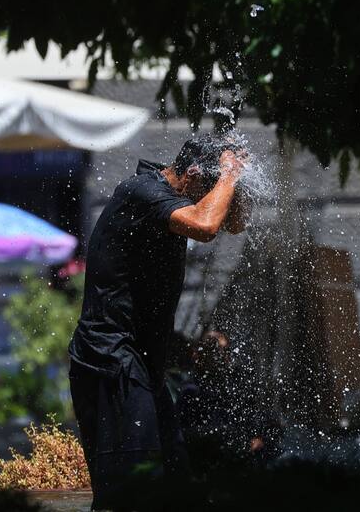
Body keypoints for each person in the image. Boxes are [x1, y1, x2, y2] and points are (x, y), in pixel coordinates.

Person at [68, 135, 249, 510]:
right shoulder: (142, 192)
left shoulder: (175, 195)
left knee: (174, 480)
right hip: (110, 361)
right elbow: (206, 225)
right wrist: (229, 173)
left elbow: (234, 223)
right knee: (134, 489)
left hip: (140, 366)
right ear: (195, 175)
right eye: (211, 185)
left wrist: (235, 181)